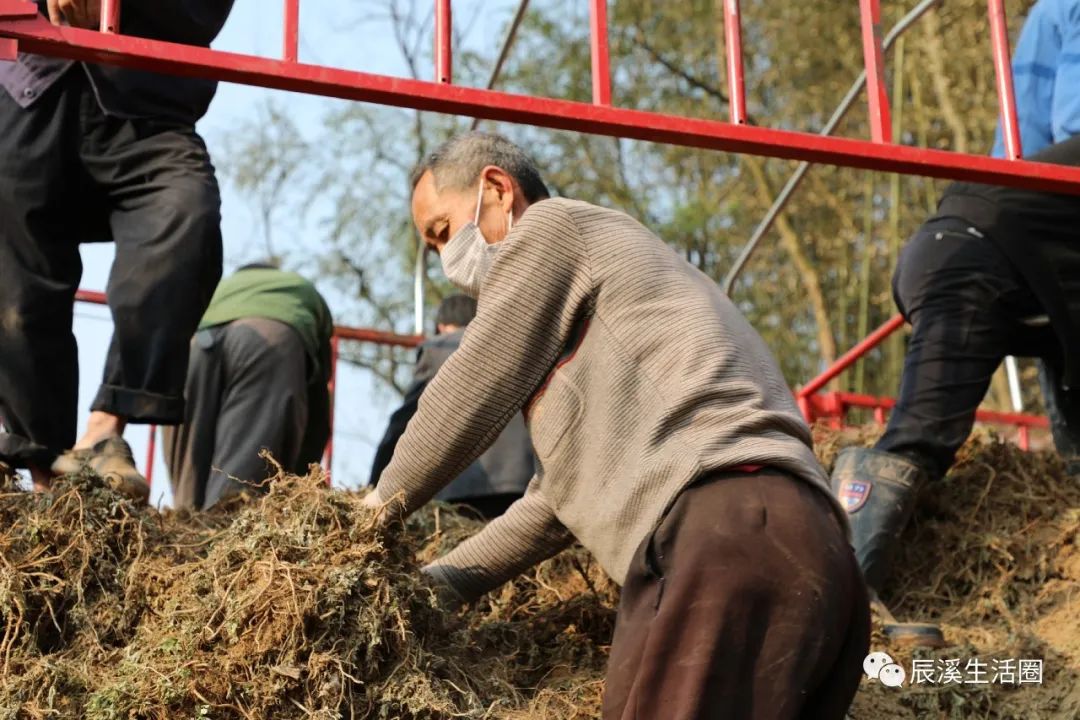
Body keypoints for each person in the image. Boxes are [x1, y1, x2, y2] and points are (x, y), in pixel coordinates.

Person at [364, 132, 867, 718]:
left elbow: (473, 385)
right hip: (807, 552)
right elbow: (550, 507)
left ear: (497, 190)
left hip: (723, 528)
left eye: (444, 233)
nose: (448, 264)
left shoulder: (552, 230)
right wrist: (430, 589)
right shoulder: (604, 329)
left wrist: (370, 513)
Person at [831, 135, 1080, 647]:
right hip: (971, 258)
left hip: (987, 259)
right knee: (923, 433)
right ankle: (842, 598)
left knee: (1061, 344)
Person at [0, 1, 235, 502]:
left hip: (147, 101)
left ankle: (103, 431)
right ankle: (46, 472)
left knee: (185, 214)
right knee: (17, 280)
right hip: (29, 83)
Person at [163, 264, 334, 511]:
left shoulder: (220, 288)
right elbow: (317, 404)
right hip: (268, 343)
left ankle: (185, 528)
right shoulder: (302, 289)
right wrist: (299, 485)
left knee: (187, 495)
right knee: (234, 494)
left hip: (195, 347)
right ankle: (220, 533)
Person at [370, 294, 534, 520]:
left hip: (461, 486)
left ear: (441, 326)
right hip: (523, 479)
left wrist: (376, 483)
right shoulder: (516, 346)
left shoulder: (435, 349)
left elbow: (404, 420)